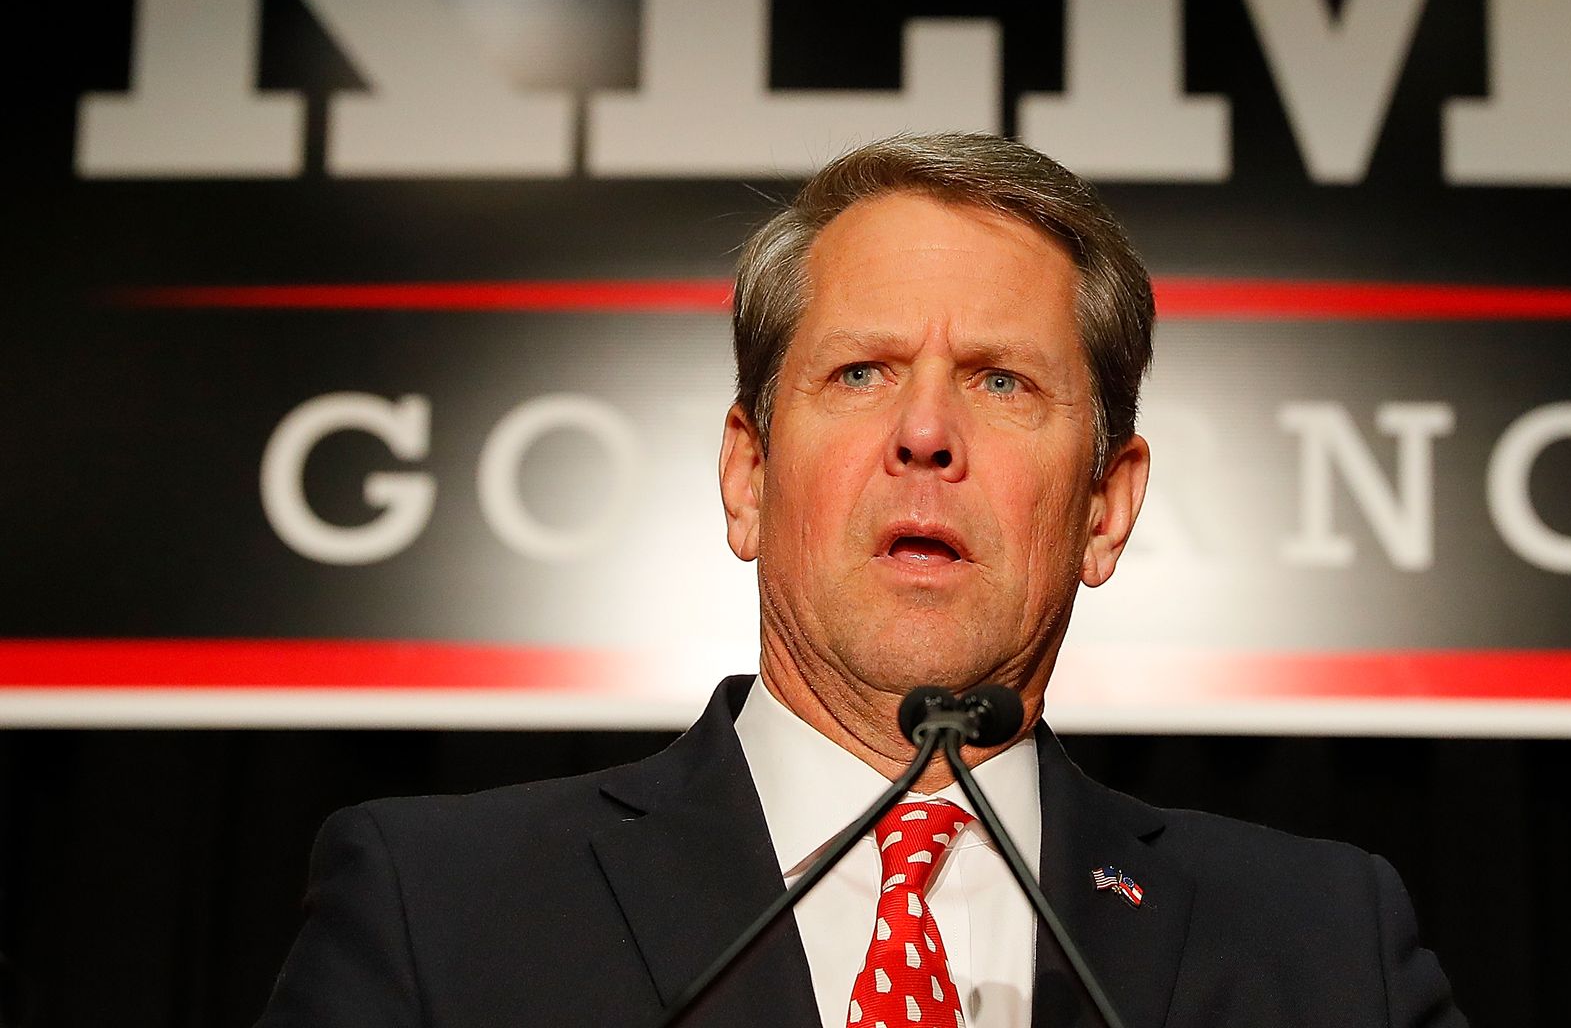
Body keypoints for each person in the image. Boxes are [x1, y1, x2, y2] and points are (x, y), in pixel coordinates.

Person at [257, 133, 1467, 1027]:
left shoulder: (1323, 948)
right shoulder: (442, 911)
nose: (927, 432)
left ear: (1106, 508)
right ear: (747, 474)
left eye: (1001, 380)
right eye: (861, 374)